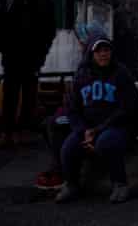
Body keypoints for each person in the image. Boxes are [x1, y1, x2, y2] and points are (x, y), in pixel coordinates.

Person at [56, 34, 137, 204]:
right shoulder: (81, 76)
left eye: (106, 50)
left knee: (106, 143)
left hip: (116, 127)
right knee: (68, 148)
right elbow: (72, 108)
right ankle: (71, 185)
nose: (103, 54)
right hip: (88, 129)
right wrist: (83, 131)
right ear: (91, 54)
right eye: (98, 51)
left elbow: (127, 109)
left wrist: (98, 130)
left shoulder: (121, 74)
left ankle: (120, 184)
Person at [35, 21, 107, 191]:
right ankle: (59, 166)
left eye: (83, 41)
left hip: (94, 118)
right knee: (51, 122)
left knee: (56, 124)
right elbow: (76, 97)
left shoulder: (99, 64)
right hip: (83, 114)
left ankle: (60, 172)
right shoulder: (85, 63)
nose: (80, 44)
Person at [0, 0, 57, 148]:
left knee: (29, 97)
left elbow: (49, 31)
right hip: (12, 57)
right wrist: (3, 48)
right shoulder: (9, 2)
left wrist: (42, 54)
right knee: (10, 97)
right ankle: (8, 132)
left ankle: (23, 131)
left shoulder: (45, 4)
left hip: (33, 58)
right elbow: (0, 27)